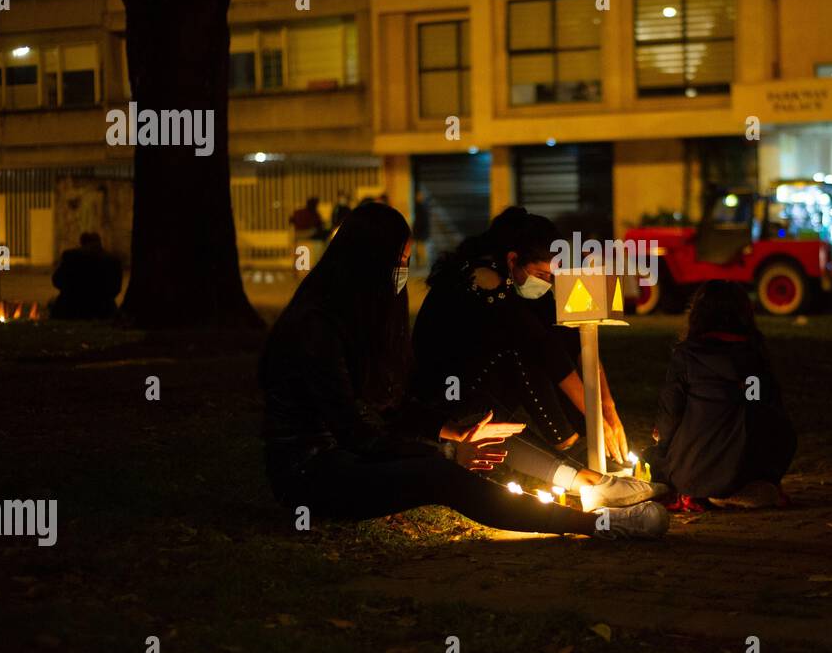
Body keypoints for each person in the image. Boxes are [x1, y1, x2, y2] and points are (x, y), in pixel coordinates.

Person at [258, 203, 668, 540]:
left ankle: (584, 485)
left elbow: (390, 408)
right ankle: (599, 525)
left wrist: (456, 432)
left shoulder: (352, 320)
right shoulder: (316, 327)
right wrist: (449, 454)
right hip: (312, 475)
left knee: (464, 443)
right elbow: (354, 432)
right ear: (368, 262)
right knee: (440, 475)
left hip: (346, 457)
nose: (401, 273)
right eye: (397, 263)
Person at [412, 207, 662, 512]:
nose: (547, 282)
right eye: (543, 275)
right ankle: (577, 460)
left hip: (481, 382)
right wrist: (595, 417)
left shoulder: (515, 279)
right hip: (449, 390)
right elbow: (540, 346)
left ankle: (582, 455)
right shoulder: (484, 278)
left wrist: (607, 410)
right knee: (524, 357)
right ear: (513, 257)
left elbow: (574, 341)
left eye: (552, 276)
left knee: (542, 351)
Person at [644, 281, 795, 510]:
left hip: (692, 471)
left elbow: (671, 414)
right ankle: (742, 489)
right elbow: (759, 408)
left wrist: (662, 445)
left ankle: (707, 490)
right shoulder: (753, 358)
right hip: (744, 468)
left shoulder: (686, 357)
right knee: (781, 432)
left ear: (697, 315)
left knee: (653, 455)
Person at [50, 232, 123, 320]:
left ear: (82, 242)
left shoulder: (70, 256)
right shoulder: (113, 260)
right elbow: (116, 288)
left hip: (71, 306)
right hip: (103, 309)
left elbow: (57, 280)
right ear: (99, 242)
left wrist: (72, 290)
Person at [411, 189, 431, 269]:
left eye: (418, 196)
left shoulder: (421, 207)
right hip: (422, 232)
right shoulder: (423, 207)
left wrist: (415, 230)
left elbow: (420, 221)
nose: (417, 197)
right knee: (420, 249)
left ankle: (423, 265)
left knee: (421, 250)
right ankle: (422, 264)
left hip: (421, 233)